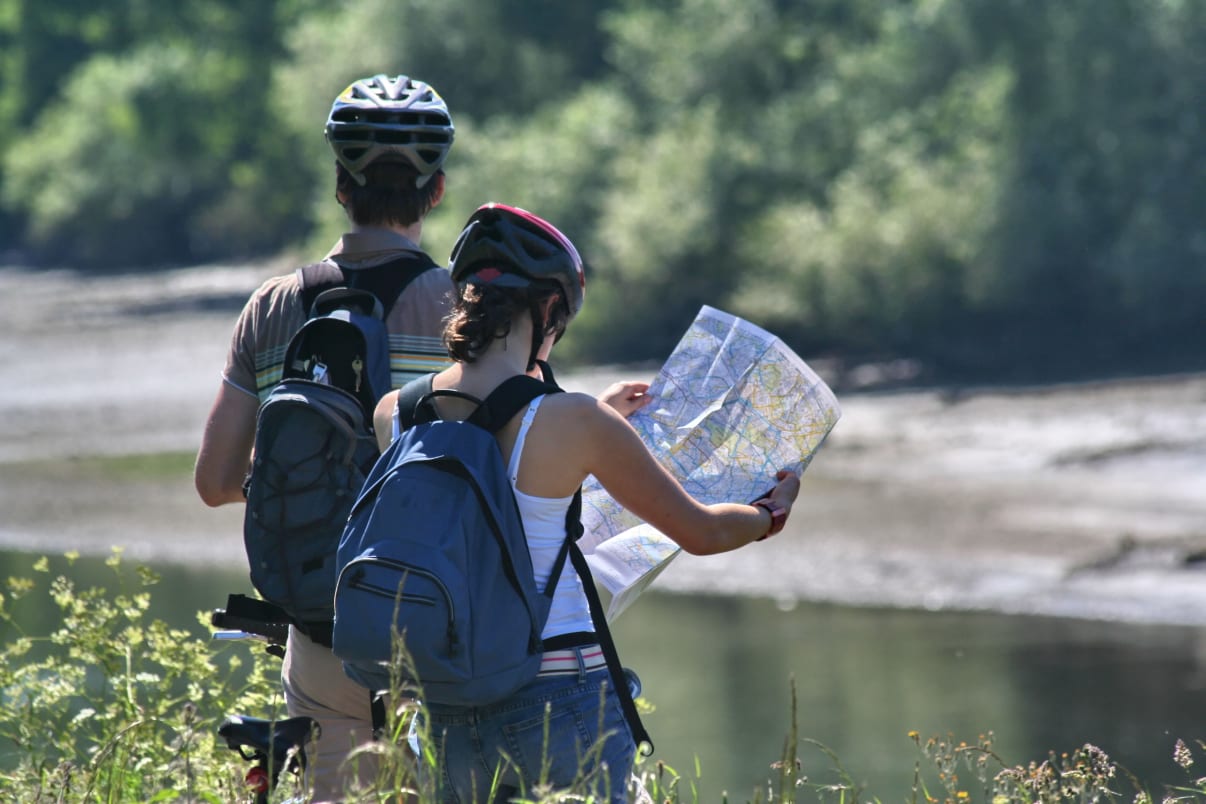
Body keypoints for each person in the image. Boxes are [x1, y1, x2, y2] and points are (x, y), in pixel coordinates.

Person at [374, 203, 801, 802]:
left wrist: (595, 415)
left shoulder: (394, 413)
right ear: (550, 307)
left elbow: (485, 475)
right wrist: (768, 513)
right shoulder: (576, 422)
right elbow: (703, 532)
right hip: (558, 694)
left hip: (447, 704)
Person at [194, 73, 457, 802]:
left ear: (341, 186)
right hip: (443, 622)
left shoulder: (273, 307)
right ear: (436, 191)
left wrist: (312, 475)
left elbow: (215, 483)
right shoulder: (468, 309)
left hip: (321, 624)